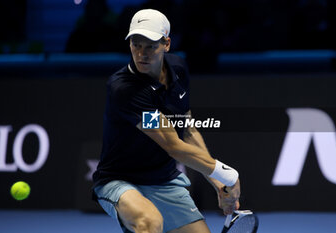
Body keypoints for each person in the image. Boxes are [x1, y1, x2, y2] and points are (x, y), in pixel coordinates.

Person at [92, 9, 241, 233]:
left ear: (166, 44)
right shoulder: (124, 89)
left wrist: (216, 182)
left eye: (151, 45)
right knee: (149, 222)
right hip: (119, 181)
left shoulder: (178, 70)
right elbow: (173, 145)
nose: (142, 53)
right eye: (136, 44)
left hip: (163, 181)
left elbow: (187, 130)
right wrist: (227, 174)